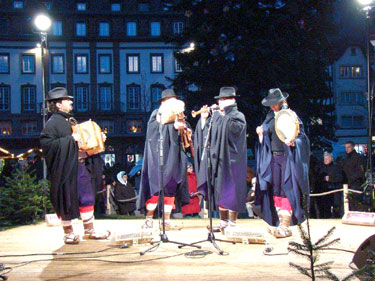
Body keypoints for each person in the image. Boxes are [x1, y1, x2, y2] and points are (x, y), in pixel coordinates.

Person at [40, 87, 110, 244]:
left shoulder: (70, 120)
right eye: (67, 100)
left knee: (87, 197)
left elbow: (83, 142)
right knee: (65, 200)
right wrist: (71, 140)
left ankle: (89, 230)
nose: (71, 102)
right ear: (58, 105)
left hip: (79, 166)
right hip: (65, 171)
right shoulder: (52, 123)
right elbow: (47, 145)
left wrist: (98, 138)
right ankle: (69, 233)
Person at [255, 88, 310, 238]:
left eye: (275, 104)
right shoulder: (269, 118)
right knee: (276, 188)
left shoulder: (291, 116)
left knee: (286, 188)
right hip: (273, 157)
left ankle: (285, 225)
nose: (273, 107)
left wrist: (294, 142)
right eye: (271, 104)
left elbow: (302, 137)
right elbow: (267, 135)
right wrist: (262, 132)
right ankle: (280, 223)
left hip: (287, 157)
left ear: (281, 102)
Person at [194, 87, 247, 233]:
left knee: (231, 192)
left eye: (223, 99)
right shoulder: (217, 117)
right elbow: (208, 135)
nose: (220, 102)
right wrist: (204, 119)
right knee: (219, 191)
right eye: (220, 99)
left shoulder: (238, 116)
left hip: (232, 161)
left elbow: (233, 131)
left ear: (232, 100)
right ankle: (223, 222)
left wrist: (220, 115)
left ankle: (232, 223)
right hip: (217, 160)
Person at [137, 89, 190, 230]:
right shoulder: (157, 114)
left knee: (171, 187)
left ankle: (166, 220)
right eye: (169, 100)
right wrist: (172, 126)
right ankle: (149, 219)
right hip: (158, 156)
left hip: (174, 156)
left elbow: (185, 133)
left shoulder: (179, 115)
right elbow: (152, 132)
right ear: (163, 102)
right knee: (155, 188)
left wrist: (184, 129)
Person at [318, 152, 343, 218]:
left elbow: (340, 178)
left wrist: (330, 179)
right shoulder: (320, 168)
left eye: (327, 158)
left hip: (334, 191)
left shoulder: (337, 167)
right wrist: (324, 178)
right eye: (324, 159)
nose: (325, 160)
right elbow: (317, 178)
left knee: (336, 208)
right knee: (324, 208)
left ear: (331, 158)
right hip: (324, 191)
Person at [342, 141, 366, 210]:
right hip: (347, 184)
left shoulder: (358, 158)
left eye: (348, 147)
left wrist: (351, 179)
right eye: (346, 147)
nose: (347, 149)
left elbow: (360, 172)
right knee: (348, 203)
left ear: (353, 147)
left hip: (356, 184)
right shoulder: (345, 159)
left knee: (355, 203)